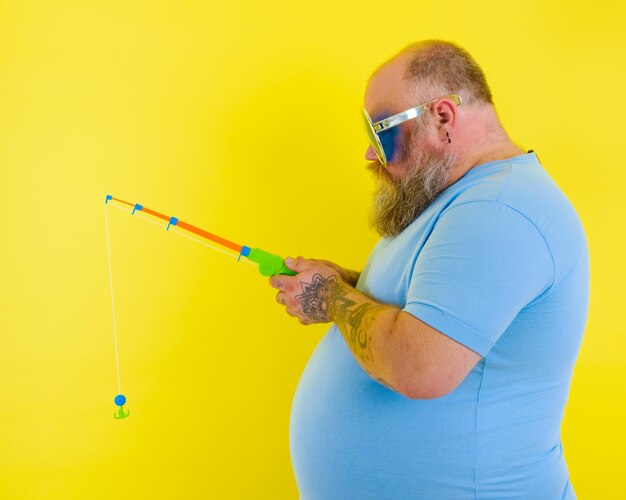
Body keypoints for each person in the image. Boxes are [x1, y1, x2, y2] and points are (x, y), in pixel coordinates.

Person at [269, 40, 589, 499]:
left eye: (382, 132)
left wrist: (334, 298)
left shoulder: (499, 211)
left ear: (442, 116)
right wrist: (349, 286)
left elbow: (419, 368)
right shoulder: (460, 202)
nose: (370, 154)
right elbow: (440, 314)